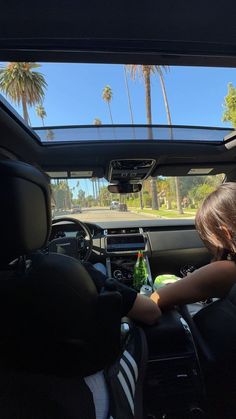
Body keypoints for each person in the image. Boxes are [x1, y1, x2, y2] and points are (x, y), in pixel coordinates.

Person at [150, 182, 236, 310]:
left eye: (208, 237)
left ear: (225, 233)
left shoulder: (227, 270)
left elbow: (156, 300)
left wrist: (195, 278)